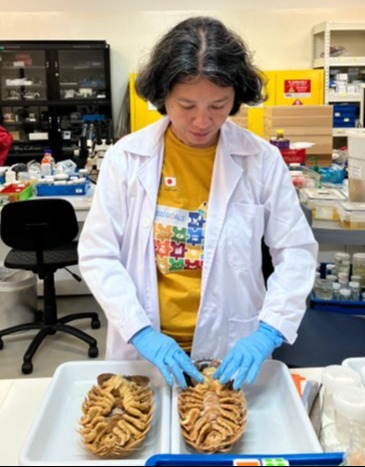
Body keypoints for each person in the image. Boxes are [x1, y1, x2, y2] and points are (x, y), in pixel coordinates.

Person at [78, 16, 318, 390]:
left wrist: (269, 331)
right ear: (162, 96)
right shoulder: (126, 158)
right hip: (148, 351)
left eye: (219, 105)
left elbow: (296, 251)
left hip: (232, 349)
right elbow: (98, 254)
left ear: (236, 97)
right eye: (186, 105)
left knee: (227, 441)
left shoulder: (261, 160)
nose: (202, 121)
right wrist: (140, 331)